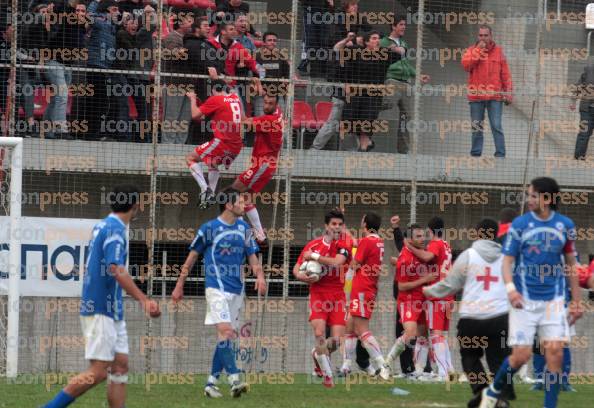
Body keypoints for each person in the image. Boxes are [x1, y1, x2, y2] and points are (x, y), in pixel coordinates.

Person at [42, 184, 161, 408]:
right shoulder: (115, 230)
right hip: (100, 307)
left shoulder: (104, 225)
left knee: (120, 366)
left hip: (110, 309)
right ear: (135, 204)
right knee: (98, 371)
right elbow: (116, 268)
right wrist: (144, 300)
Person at [479, 177, 584, 408]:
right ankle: (493, 392)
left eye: (533, 195)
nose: (529, 200)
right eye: (529, 195)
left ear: (547, 198)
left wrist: (576, 301)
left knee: (554, 353)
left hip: (554, 300)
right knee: (521, 356)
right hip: (523, 302)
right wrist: (511, 290)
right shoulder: (520, 225)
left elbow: (571, 265)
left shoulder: (565, 225)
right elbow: (507, 263)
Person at [172, 189, 266, 398]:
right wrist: (179, 285)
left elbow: (252, 256)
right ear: (229, 205)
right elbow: (192, 258)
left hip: (237, 290)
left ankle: (211, 383)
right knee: (225, 331)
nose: (245, 205)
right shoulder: (209, 228)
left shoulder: (244, 228)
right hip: (216, 289)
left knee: (226, 336)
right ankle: (235, 380)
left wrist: (260, 277)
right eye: (241, 202)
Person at [423, 218, 515, 408]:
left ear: (477, 233)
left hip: (472, 319)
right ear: (497, 234)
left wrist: (429, 291)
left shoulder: (468, 255)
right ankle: (500, 398)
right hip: (499, 318)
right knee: (498, 359)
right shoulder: (506, 258)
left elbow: (451, 284)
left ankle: (481, 391)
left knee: (470, 356)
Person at [292, 209, 352, 388]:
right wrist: (303, 277)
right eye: (333, 224)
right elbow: (296, 269)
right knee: (319, 333)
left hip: (337, 295)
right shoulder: (313, 244)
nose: (337, 227)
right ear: (326, 226)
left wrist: (315, 257)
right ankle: (328, 376)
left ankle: (317, 354)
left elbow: (337, 262)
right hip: (318, 293)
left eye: (340, 224)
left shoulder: (344, 245)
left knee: (335, 341)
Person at [402, 217, 455, 380]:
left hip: (437, 295)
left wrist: (409, 246)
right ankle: (449, 369)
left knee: (435, 334)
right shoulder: (446, 245)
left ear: (430, 231)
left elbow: (426, 257)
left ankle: (443, 373)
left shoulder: (436, 244)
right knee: (441, 335)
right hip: (448, 295)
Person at [227, 93, 283, 244]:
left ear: (276, 104)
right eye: (265, 103)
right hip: (264, 165)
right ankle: (260, 236)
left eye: (270, 104)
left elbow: (245, 121)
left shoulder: (269, 120)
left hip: (263, 165)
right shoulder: (278, 114)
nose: (266, 106)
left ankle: (238, 228)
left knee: (233, 190)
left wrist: (237, 100)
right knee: (244, 198)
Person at [340, 212, 390, 380]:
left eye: (362, 220)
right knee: (350, 326)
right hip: (367, 288)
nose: (361, 222)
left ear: (366, 224)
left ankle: (383, 365)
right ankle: (346, 366)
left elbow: (355, 264)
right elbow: (357, 243)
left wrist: (346, 265)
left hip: (362, 288)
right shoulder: (377, 241)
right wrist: (343, 227)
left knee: (362, 330)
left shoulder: (367, 241)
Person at [385, 224, 437, 375]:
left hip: (421, 300)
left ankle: (420, 372)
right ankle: (387, 363)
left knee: (423, 336)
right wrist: (425, 279)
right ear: (409, 239)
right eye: (418, 237)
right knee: (410, 334)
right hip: (407, 301)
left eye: (423, 236)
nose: (422, 239)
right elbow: (401, 286)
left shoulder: (422, 252)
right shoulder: (405, 257)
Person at [339, 31, 401, 151]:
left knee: (367, 121)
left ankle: (363, 146)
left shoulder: (384, 55)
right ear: (367, 42)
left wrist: (395, 48)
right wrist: (346, 84)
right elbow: (344, 61)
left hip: (373, 94)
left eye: (378, 39)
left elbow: (401, 54)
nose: (377, 41)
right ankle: (361, 143)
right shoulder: (357, 53)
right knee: (349, 119)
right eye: (373, 38)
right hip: (356, 92)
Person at [185, 79, 243, 208]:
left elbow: (195, 116)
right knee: (213, 162)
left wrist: (193, 99)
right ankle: (210, 195)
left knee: (190, 158)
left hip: (223, 142)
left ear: (214, 91)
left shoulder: (215, 100)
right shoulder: (235, 97)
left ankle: (206, 190)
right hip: (236, 146)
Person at [379, 16, 430, 154]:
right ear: (393, 26)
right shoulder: (382, 42)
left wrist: (418, 76)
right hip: (392, 80)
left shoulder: (404, 43)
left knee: (406, 116)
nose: (404, 27)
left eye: (404, 25)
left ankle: (403, 151)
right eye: (401, 24)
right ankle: (365, 110)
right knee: (388, 103)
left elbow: (406, 64)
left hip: (406, 83)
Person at [462, 25, 512, 158]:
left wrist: (508, 93)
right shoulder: (472, 50)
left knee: (496, 126)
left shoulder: (499, 52)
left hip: (494, 96)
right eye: (481, 35)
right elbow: (466, 66)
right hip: (476, 97)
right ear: (477, 36)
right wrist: (478, 51)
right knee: (477, 127)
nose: (483, 38)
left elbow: (506, 75)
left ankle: (500, 155)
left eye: (486, 35)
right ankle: (475, 155)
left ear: (491, 36)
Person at [161, 12, 194, 144]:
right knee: (172, 118)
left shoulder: (190, 39)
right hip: (173, 84)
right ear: (180, 23)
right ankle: (167, 148)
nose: (192, 23)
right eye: (189, 20)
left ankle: (180, 147)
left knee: (184, 119)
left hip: (188, 85)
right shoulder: (172, 37)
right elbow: (175, 54)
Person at [254, 32, 289, 116]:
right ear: (264, 42)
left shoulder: (281, 57)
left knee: (281, 118)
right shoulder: (257, 57)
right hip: (262, 93)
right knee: (261, 118)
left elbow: (287, 74)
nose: (272, 42)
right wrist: (259, 86)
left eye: (274, 40)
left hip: (278, 93)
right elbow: (253, 75)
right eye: (269, 40)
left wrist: (285, 83)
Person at [570, 64, 594, 159]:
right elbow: (579, 85)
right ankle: (578, 159)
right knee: (584, 134)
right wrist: (573, 101)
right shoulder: (589, 70)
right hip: (587, 109)